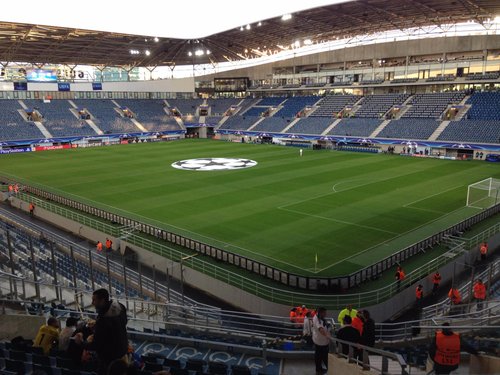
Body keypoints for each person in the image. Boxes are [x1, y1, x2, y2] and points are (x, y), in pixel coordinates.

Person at [79, 289, 128, 375]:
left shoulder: (103, 321)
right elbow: (123, 323)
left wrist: (81, 343)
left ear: (102, 300)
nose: (92, 303)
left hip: (108, 357)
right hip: (122, 350)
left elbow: (96, 345)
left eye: (94, 300)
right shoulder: (120, 306)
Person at [312, 307, 331, 375]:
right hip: (320, 342)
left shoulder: (318, 317)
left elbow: (323, 324)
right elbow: (320, 329)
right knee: (323, 356)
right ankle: (322, 369)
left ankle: (319, 369)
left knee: (319, 356)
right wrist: (328, 336)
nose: (326, 314)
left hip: (319, 341)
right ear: (321, 312)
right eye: (324, 313)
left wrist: (327, 325)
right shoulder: (317, 319)